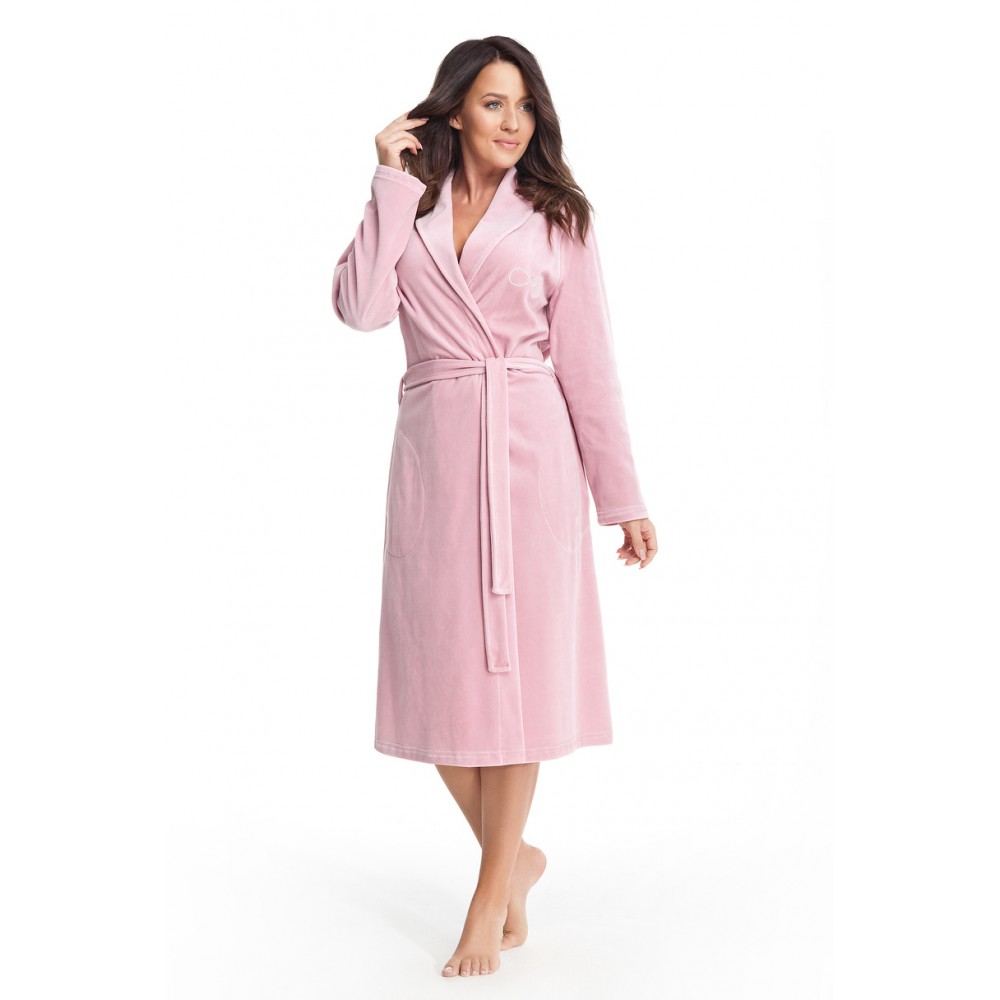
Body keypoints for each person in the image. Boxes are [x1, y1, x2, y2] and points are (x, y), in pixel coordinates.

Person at [331, 35, 657, 979]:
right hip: (436, 457)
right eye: (492, 104)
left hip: (530, 456)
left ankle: (487, 897)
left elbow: (590, 364)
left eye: (524, 105)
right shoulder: (412, 204)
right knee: (438, 671)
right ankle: (516, 858)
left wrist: (622, 496)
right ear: (453, 112)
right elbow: (359, 309)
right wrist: (388, 183)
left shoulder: (557, 219)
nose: (513, 122)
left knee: (516, 679)